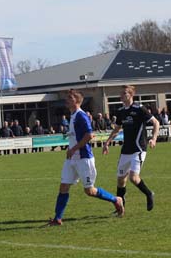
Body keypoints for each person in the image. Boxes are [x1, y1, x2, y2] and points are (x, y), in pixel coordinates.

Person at [48, 89, 124, 226]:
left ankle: (116, 200)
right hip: (72, 159)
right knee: (63, 186)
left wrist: (74, 149)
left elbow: (89, 135)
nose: (67, 100)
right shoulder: (73, 115)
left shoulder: (81, 116)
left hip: (84, 158)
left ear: (77, 101)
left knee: (89, 191)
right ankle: (57, 218)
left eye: (70, 98)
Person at [103, 85, 159, 212]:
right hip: (125, 150)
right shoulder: (121, 111)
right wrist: (107, 142)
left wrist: (154, 138)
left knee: (133, 178)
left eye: (124, 93)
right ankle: (120, 207)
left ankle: (149, 193)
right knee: (120, 180)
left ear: (131, 95)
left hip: (139, 148)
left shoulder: (139, 109)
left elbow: (156, 122)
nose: (121, 96)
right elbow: (117, 129)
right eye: (121, 93)